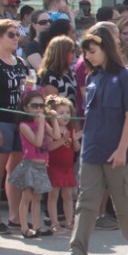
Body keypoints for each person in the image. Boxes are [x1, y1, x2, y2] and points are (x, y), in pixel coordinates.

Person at [51, 28, 128, 255]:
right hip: (92, 150)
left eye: (92, 51)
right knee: (85, 202)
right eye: (85, 52)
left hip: (119, 150)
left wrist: (122, 149)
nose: (88, 56)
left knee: (125, 200)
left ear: (106, 48)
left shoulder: (127, 77)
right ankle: (77, 253)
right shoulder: (92, 78)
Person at [0, 20, 28, 234]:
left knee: (15, 171)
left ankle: (14, 216)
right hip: (0, 120)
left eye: (17, 34)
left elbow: (25, 91)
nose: (15, 38)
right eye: (11, 34)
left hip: (18, 121)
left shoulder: (20, 62)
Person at [9, 89, 59, 238]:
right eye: (34, 106)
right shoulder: (24, 125)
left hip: (41, 166)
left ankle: (37, 226)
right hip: (30, 164)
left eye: (41, 105)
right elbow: (37, 142)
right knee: (27, 197)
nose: (38, 109)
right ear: (26, 108)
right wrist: (42, 123)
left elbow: (56, 136)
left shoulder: (42, 123)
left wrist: (54, 120)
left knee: (38, 198)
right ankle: (25, 228)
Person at [45, 95, 79, 232]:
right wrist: (62, 140)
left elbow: (76, 149)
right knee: (53, 195)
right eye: (61, 113)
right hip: (54, 167)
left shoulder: (70, 129)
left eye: (67, 112)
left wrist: (75, 140)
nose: (65, 115)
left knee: (68, 196)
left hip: (68, 168)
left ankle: (69, 221)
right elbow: (50, 147)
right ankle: (54, 223)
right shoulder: (51, 130)